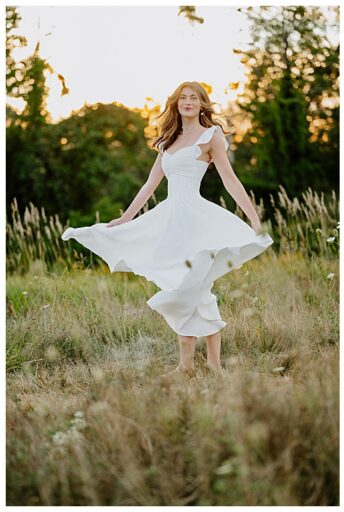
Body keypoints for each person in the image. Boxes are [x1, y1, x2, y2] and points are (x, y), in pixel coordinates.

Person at [61, 82, 273, 377]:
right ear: (176, 104)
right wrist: (125, 219)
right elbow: (150, 185)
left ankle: (212, 366)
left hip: (197, 220)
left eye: (194, 98)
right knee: (179, 285)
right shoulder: (167, 142)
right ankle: (187, 366)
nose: (188, 102)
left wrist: (253, 218)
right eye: (183, 98)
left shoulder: (211, 137)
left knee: (197, 286)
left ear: (202, 104)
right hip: (171, 220)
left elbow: (230, 180)